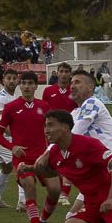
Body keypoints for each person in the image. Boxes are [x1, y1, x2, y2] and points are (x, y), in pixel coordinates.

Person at [39, 70, 112, 223]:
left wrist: (46, 153)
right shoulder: (76, 111)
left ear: (91, 87)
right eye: (71, 82)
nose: (72, 85)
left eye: (77, 82)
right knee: (81, 220)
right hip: (97, 173)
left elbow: (74, 134)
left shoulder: (93, 104)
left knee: (78, 219)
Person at [0, 70, 58, 223]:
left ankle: (43, 220)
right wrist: (12, 147)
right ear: (21, 86)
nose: (27, 86)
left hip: (43, 158)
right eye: (24, 83)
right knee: (29, 187)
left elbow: (52, 130)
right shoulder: (11, 107)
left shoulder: (44, 107)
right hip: (22, 159)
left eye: (30, 83)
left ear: (36, 86)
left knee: (55, 190)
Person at [0, 69, 26, 210]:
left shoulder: (12, 96)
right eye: (8, 78)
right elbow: (0, 123)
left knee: (6, 168)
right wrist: (18, 135)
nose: (11, 81)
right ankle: (22, 201)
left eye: (14, 78)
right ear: (3, 80)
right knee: (21, 164)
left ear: (17, 80)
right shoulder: (2, 98)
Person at [42, 62, 80, 206]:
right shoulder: (48, 91)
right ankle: (58, 192)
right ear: (57, 73)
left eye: (66, 71)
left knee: (67, 161)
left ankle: (65, 193)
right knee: (54, 161)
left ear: (70, 74)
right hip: (52, 132)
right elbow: (45, 113)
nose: (64, 74)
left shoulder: (74, 91)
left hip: (70, 132)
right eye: (61, 71)